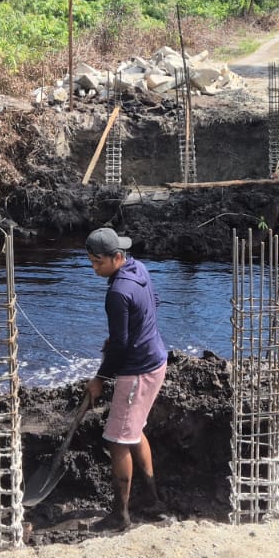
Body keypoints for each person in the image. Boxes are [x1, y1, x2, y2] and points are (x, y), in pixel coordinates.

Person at [83, 227, 168, 531]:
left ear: (117, 256)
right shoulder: (139, 268)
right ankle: (153, 502)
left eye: (98, 262)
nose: (94, 268)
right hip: (156, 360)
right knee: (135, 431)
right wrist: (128, 334)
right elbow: (153, 303)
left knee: (117, 441)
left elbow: (119, 347)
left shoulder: (117, 293)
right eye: (91, 262)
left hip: (138, 372)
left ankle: (120, 515)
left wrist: (100, 379)